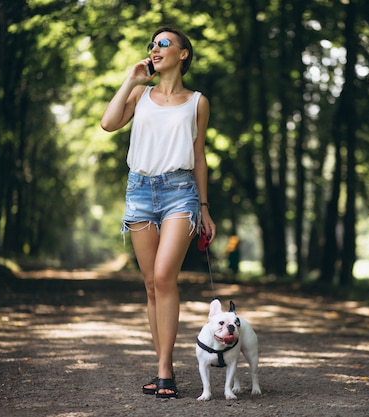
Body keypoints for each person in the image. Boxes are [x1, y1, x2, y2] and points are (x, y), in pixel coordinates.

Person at [100, 25, 216, 399]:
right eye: (152, 44)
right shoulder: (140, 94)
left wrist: (205, 207)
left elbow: (199, 157)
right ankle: (164, 370)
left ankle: (166, 371)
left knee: (165, 276)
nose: (155, 48)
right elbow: (108, 123)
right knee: (151, 284)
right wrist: (130, 79)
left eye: (164, 43)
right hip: (139, 191)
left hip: (180, 192)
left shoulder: (198, 101)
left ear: (183, 54)